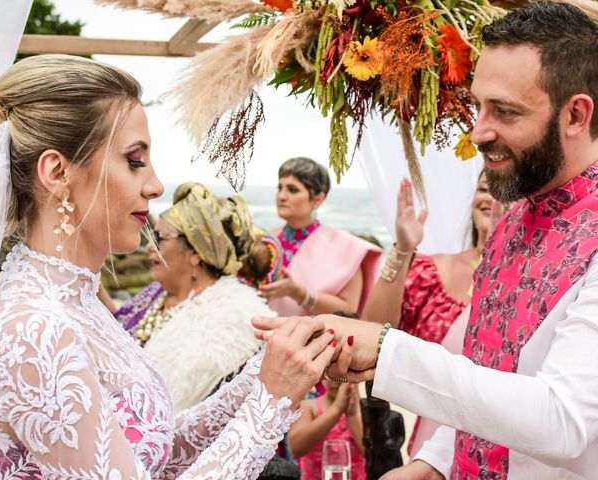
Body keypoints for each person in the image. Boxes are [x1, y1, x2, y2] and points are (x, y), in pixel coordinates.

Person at [253, 2, 598, 478]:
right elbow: (497, 381)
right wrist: (432, 463)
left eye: (505, 112)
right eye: (479, 106)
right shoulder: (513, 223)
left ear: (576, 115)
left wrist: (387, 349)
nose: (478, 132)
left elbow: (564, 420)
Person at [0, 54, 345, 479]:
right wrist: (270, 405)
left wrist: (262, 376)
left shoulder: (75, 302)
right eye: (134, 160)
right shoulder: (32, 328)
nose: (156, 185)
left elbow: (148, 452)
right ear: (57, 171)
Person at [109, 182, 272, 411]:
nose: (148, 246)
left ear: (196, 253)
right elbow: (115, 325)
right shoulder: (158, 293)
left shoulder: (232, 322)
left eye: (159, 238)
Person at [363, 173, 492, 455]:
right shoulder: (433, 271)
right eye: (484, 188)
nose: (491, 197)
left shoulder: (533, 281)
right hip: (432, 443)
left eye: (502, 189)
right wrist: (403, 249)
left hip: (502, 441)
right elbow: (374, 331)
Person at [260, 157, 382, 316]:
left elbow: (349, 310)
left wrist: (297, 292)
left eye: (292, 189)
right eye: (279, 187)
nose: (281, 196)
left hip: (309, 338)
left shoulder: (345, 247)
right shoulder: (265, 239)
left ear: (317, 199)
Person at [288, 379, 366, 480]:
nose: (336, 382)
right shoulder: (309, 407)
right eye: (332, 376)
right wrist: (336, 409)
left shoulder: (365, 411)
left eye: (343, 377)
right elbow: (296, 448)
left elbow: (372, 455)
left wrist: (353, 415)